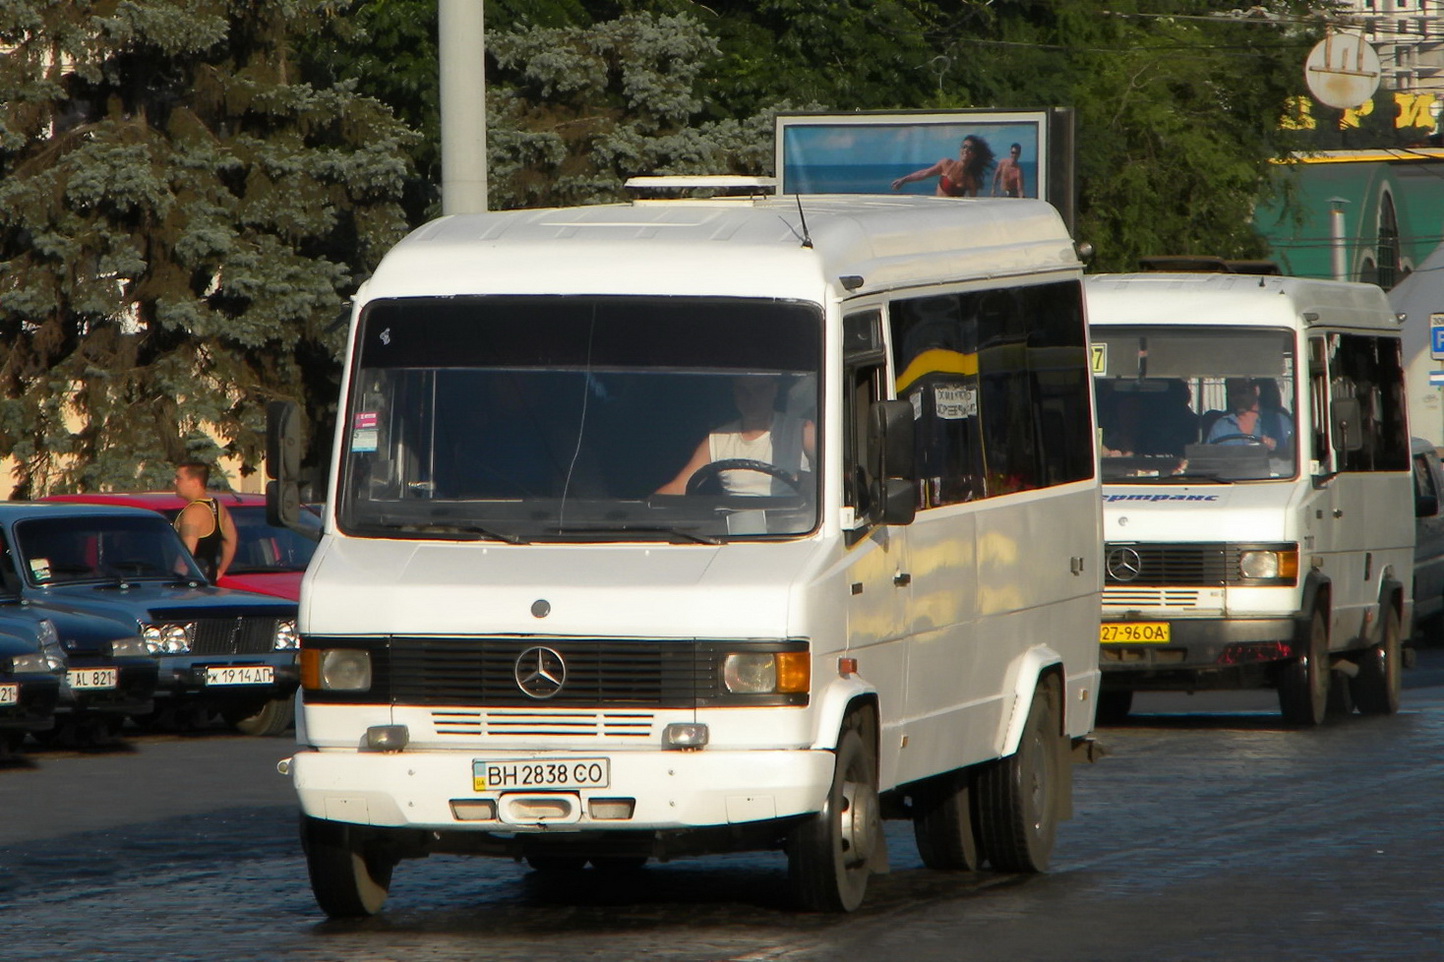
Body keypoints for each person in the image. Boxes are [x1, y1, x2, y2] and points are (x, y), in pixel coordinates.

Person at [657, 376, 816, 496]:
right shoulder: (717, 439)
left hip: (795, 533)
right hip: (735, 535)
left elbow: (829, 482)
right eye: (743, 390)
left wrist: (810, 484)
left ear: (774, 390)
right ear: (734, 392)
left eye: (759, 390)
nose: (751, 398)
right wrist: (641, 513)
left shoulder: (802, 430)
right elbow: (679, 488)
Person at [173, 462, 238, 580]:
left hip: (191, 587)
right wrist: (220, 570)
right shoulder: (218, 507)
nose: (175, 482)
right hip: (209, 580)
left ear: (195, 482)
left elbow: (187, 553)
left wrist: (176, 579)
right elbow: (230, 540)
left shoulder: (193, 512)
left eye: (179, 478)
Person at [891, 135, 996, 198]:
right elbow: (924, 173)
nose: (966, 150)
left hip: (952, 213)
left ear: (974, 155)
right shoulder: (947, 164)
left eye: (970, 148)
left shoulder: (970, 179)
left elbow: (973, 201)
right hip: (938, 209)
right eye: (964, 147)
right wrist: (904, 180)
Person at [1207, 378, 1291, 452]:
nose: (1237, 397)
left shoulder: (1279, 421)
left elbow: (1294, 456)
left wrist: (1275, 448)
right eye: (1232, 393)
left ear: (1256, 390)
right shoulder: (1220, 426)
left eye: (1242, 391)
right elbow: (1209, 459)